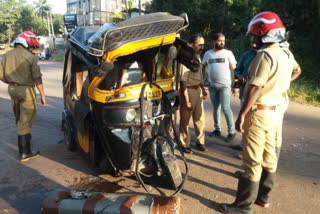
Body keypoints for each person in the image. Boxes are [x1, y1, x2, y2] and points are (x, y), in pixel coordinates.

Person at [219, 11, 301, 214]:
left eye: (256, 35)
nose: (253, 40)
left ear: (265, 34)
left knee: (252, 162)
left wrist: (242, 115)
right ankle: (263, 198)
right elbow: (292, 73)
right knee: (269, 158)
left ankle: (243, 206)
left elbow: (255, 88)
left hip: (260, 113)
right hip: (275, 113)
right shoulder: (286, 54)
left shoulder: (265, 55)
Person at [0, 31, 47, 162]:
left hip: (12, 89)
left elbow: (1, 76)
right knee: (25, 120)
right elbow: (37, 79)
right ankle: (25, 153)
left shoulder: (6, 55)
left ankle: (25, 147)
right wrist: (43, 95)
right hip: (26, 90)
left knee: (19, 116)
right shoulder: (30, 57)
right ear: (25, 42)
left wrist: (13, 82)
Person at [202, 33, 237, 142]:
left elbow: (233, 69)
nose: (222, 43)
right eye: (220, 41)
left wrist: (234, 85)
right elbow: (203, 67)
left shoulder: (228, 53)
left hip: (225, 86)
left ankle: (231, 132)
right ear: (214, 42)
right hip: (212, 86)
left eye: (223, 41)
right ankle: (217, 129)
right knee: (216, 108)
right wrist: (203, 80)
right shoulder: (208, 54)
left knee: (226, 108)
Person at [179, 33, 208, 154]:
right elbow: (183, 81)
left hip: (197, 91)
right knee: (185, 120)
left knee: (200, 118)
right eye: (199, 44)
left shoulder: (198, 57)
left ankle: (200, 142)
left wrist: (203, 89)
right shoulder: (185, 59)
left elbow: (199, 75)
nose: (202, 47)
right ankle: (184, 143)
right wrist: (186, 99)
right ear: (192, 45)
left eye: (203, 45)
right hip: (188, 91)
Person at [230, 38, 258, 151]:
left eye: (257, 42)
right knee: (245, 121)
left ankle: (248, 149)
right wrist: (240, 77)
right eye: (252, 42)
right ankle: (243, 145)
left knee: (253, 123)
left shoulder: (264, 56)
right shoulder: (247, 55)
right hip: (245, 93)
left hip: (258, 95)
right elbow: (237, 70)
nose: (254, 45)